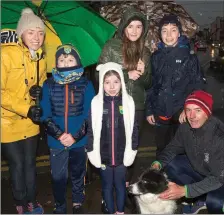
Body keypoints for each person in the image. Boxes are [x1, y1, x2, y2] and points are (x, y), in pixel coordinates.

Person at [98, 5, 151, 189]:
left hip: (136, 105)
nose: (135, 31)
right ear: (123, 27)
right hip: (114, 103)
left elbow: (147, 84)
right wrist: (124, 74)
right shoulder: (111, 46)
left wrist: (143, 74)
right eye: (130, 26)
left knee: (131, 147)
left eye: (138, 26)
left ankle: (125, 185)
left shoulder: (145, 51)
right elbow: (99, 75)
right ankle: (108, 186)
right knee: (111, 144)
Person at [40, 44, 95, 214]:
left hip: (79, 140)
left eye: (70, 59)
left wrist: (75, 136)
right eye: (62, 60)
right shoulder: (48, 84)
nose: (66, 63)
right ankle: (60, 205)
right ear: (56, 62)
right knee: (58, 177)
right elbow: (44, 114)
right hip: (56, 141)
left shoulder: (86, 84)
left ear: (77, 62)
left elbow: (90, 114)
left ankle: (77, 202)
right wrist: (59, 135)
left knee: (78, 174)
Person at [1, 8, 46, 214]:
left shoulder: (40, 58)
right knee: (17, 165)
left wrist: (40, 90)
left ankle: (31, 201)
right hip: (6, 122)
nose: (37, 38)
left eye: (40, 33)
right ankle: (20, 201)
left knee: (30, 164)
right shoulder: (5, 54)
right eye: (31, 32)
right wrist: (25, 108)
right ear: (21, 34)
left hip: (30, 120)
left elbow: (42, 83)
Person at [151, 90, 224, 214]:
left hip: (220, 179)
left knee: (216, 203)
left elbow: (218, 178)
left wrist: (184, 191)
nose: (192, 116)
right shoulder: (186, 127)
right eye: (188, 110)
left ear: (207, 113)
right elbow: (173, 147)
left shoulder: (218, 136)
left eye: (198, 110)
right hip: (204, 171)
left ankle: (205, 198)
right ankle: (199, 199)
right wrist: (158, 163)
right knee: (171, 164)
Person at [146, 14, 205, 157]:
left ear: (179, 33)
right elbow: (151, 86)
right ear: (160, 34)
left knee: (181, 150)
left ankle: (179, 178)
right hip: (160, 111)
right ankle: (162, 178)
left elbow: (198, 86)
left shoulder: (189, 57)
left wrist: (188, 110)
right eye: (164, 30)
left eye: (173, 30)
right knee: (161, 150)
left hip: (181, 112)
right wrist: (149, 110)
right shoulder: (155, 57)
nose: (169, 34)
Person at [87, 62, 139, 214]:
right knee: (107, 187)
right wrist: (91, 150)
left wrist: (133, 149)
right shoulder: (96, 103)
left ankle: (120, 211)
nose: (112, 86)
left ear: (122, 83)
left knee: (121, 186)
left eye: (116, 82)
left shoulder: (128, 102)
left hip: (123, 157)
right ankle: (110, 211)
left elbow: (134, 128)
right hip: (104, 158)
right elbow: (91, 129)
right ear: (102, 83)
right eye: (107, 82)